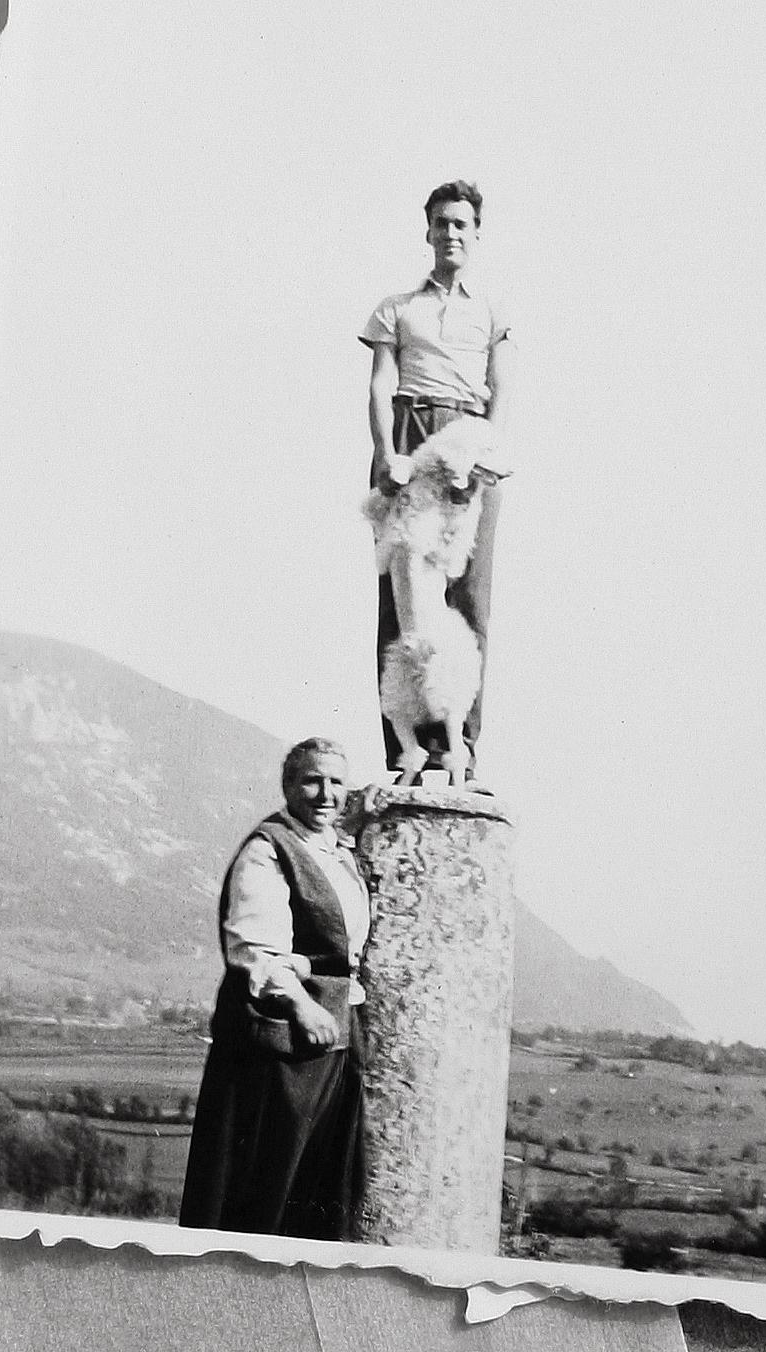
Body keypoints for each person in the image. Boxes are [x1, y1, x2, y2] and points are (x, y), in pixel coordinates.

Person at [179, 737, 370, 1240]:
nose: (325, 793)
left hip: (333, 1040)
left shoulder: (334, 848)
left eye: (336, 782)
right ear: (288, 786)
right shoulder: (267, 849)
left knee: (318, 1183)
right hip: (280, 1042)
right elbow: (253, 949)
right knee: (265, 1183)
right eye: (312, 780)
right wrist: (303, 1006)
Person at [360, 180, 515, 790]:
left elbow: (503, 391)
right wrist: (386, 454)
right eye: (441, 223)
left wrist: (485, 456)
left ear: (476, 233)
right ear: (427, 231)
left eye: (462, 224)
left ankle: (462, 748)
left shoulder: (493, 311)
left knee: (469, 597)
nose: (451, 233)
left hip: (467, 439)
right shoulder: (397, 307)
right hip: (410, 429)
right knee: (402, 601)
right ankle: (406, 747)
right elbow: (379, 383)